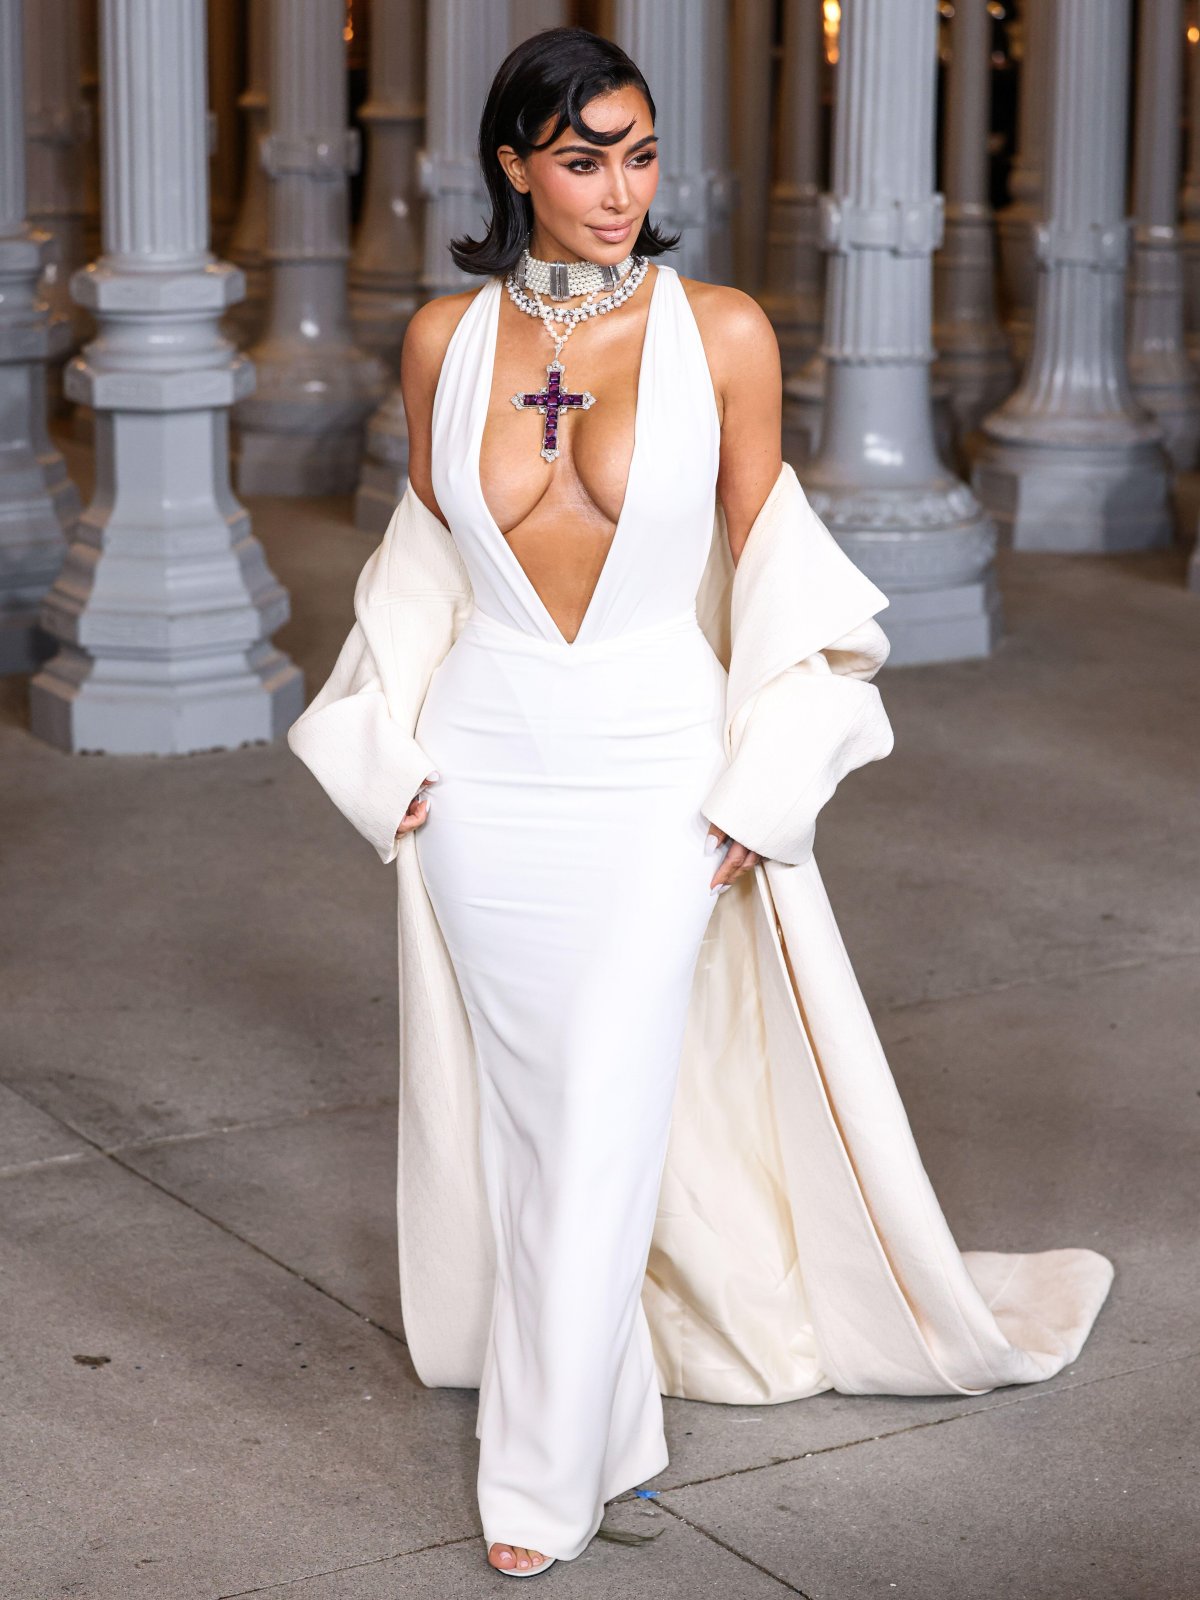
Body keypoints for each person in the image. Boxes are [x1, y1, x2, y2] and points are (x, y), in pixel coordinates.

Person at [287, 24, 1114, 1583]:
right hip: (484, 773)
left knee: (602, 1103)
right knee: (547, 1125)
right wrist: (380, 757)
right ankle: (610, 1432)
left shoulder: (719, 329)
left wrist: (771, 775)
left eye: (641, 152)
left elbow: (780, 561)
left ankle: (536, 1480)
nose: (621, 188)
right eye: (584, 157)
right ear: (516, 166)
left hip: (658, 765)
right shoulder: (442, 342)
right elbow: (424, 562)